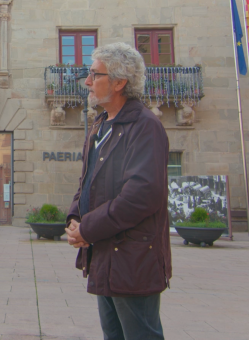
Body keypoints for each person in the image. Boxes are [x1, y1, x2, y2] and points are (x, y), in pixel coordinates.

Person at [65, 43, 172, 340]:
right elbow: (87, 181)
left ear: (119, 82)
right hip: (104, 253)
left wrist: (89, 228)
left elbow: (142, 194)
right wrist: (74, 219)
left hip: (133, 260)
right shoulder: (100, 125)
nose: (87, 81)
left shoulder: (144, 126)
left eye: (94, 74)